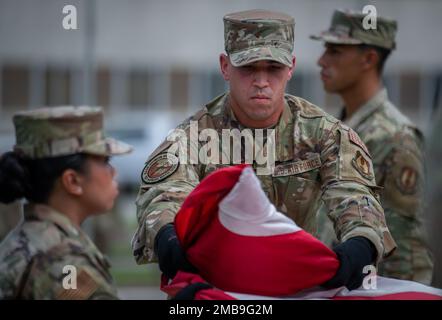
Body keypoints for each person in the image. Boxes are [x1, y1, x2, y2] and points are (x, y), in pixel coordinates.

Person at [131, 9, 397, 291]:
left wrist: (360, 242)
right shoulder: (193, 137)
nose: (261, 81)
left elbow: (354, 197)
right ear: (225, 67)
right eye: (248, 68)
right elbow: (164, 198)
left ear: (291, 67)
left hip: (297, 287)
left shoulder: (325, 135)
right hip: (216, 291)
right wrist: (167, 235)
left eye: (273, 68)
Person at [311, 9, 433, 284]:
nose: (321, 60)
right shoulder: (334, 130)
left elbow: (407, 247)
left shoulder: (395, 138)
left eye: (335, 51)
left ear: (369, 59)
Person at [0, 106, 132, 299]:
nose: (113, 172)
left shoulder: (23, 240)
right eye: (105, 161)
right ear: (72, 181)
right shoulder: (63, 261)